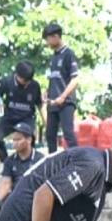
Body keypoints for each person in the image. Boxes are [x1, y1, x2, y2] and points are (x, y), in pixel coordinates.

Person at [0, 61, 43, 162]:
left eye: (29, 81)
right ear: (17, 75)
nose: (26, 83)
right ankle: (6, 162)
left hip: (27, 118)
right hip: (10, 117)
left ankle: (28, 164)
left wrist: (46, 121)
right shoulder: (6, 82)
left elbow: (40, 104)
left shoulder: (35, 86)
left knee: (29, 139)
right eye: (24, 81)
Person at [42, 22, 79, 153]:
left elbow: (75, 79)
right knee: (50, 135)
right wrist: (46, 92)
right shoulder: (53, 58)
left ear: (56, 36)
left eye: (48, 39)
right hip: (52, 103)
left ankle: (78, 161)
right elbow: (53, 78)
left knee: (68, 134)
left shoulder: (69, 54)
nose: (47, 43)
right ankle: (53, 164)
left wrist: (63, 97)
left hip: (66, 102)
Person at [0, 122, 44, 201]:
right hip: (16, 199)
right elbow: (5, 184)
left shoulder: (40, 159)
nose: (14, 143)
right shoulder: (9, 160)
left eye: (18, 139)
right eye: (13, 140)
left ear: (29, 140)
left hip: (35, 199)